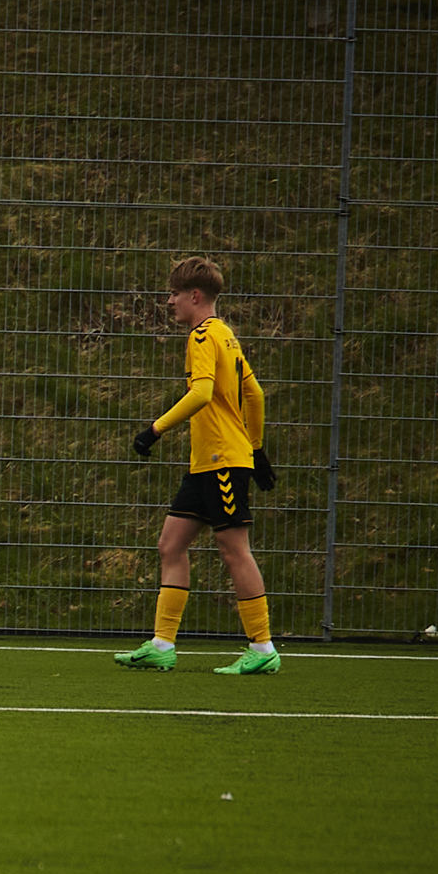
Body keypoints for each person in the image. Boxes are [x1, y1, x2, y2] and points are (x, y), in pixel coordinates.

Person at [116, 255, 279, 676]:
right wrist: (257, 449)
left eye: (173, 294)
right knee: (171, 544)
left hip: (222, 460)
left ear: (194, 295)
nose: (168, 301)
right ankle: (162, 644)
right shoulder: (227, 335)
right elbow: (255, 394)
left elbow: (202, 393)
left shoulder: (204, 336)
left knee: (233, 550)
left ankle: (262, 648)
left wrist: (155, 429)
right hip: (210, 462)